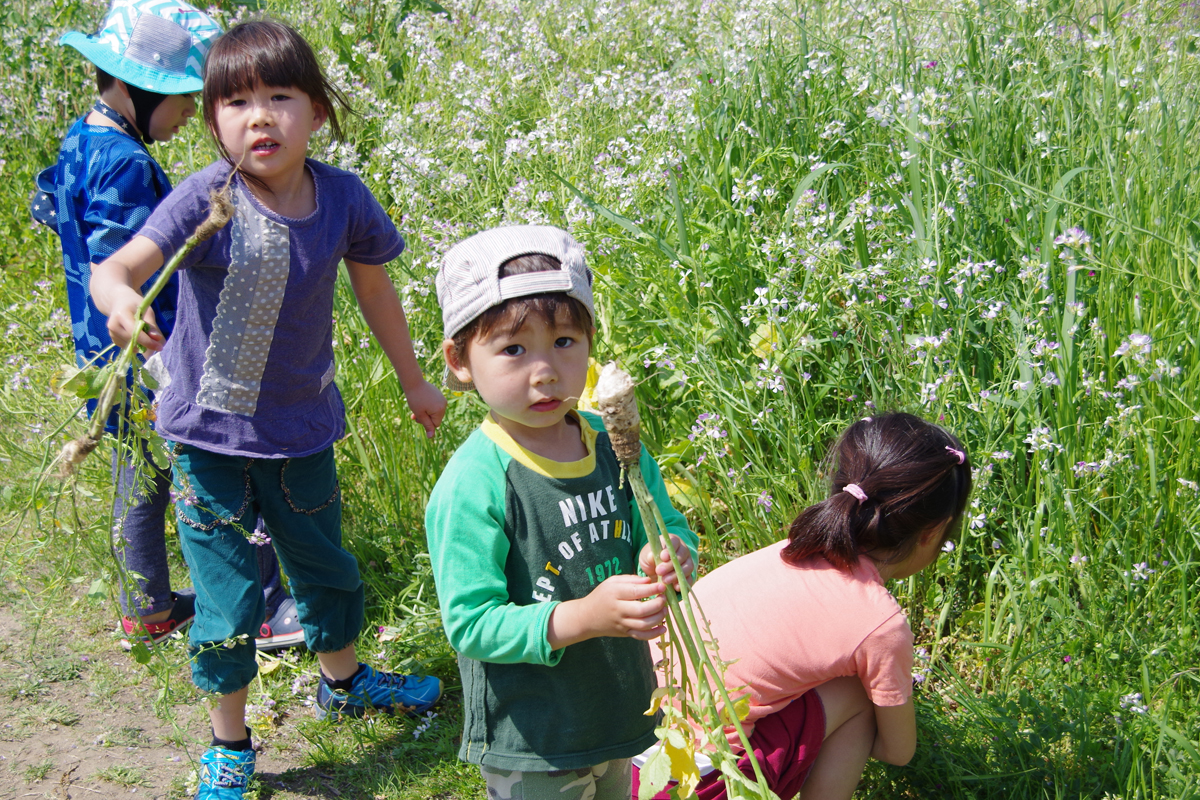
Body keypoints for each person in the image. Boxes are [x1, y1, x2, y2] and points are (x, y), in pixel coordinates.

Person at [89, 19, 447, 799]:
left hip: (303, 432)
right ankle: (230, 741)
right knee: (226, 600)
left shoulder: (343, 198)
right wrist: (119, 301)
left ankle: (344, 683)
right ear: (211, 117)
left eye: (280, 97)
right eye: (236, 101)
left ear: (316, 112)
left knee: (328, 569)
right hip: (205, 439)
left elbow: (375, 289)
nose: (259, 117)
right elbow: (118, 265)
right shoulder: (206, 199)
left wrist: (414, 379)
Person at [31, 0, 302, 652]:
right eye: (183, 100)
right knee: (221, 467)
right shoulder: (125, 161)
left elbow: (51, 204)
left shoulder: (83, 137)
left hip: (98, 347)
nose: (189, 116)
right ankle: (263, 609)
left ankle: (146, 603)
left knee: (140, 471)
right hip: (150, 351)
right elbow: (134, 263)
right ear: (136, 88)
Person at [425, 225, 700, 800]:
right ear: (459, 360)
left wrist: (672, 553)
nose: (545, 371)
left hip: (618, 708)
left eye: (565, 342)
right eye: (514, 349)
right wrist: (587, 617)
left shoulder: (614, 445)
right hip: (535, 736)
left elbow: (666, 526)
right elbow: (471, 625)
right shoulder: (474, 484)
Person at [631, 412, 972, 800]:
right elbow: (898, 750)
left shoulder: (788, 551)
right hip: (686, 784)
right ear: (931, 534)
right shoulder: (880, 624)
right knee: (857, 694)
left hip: (623, 757)